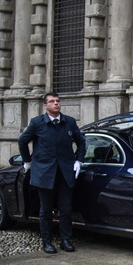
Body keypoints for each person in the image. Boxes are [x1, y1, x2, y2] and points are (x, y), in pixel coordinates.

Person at [18, 92, 86, 254]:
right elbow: (22, 141)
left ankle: (65, 240)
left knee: (65, 208)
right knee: (46, 210)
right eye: (52, 101)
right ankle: (47, 242)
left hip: (65, 173)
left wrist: (79, 160)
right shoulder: (37, 123)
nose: (56, 104)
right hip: (45, 174)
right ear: (45, 106)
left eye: (58, 101)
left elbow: (81, 141)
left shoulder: (69, 122)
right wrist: (28, 161)